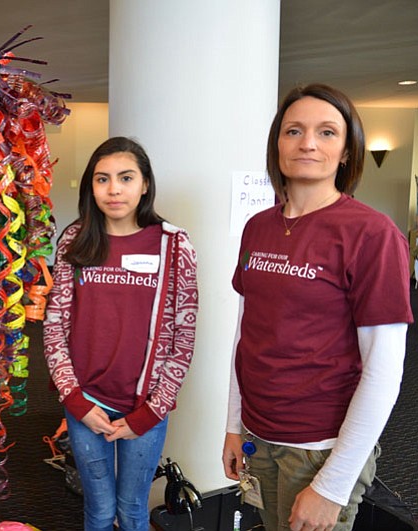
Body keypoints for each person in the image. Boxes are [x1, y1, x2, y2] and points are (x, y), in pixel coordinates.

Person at [222, 84, 413, 531]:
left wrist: (332, 485)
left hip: (320, 449)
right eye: (294, 130)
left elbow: (385, 372)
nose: (308, 142)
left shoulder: (373, 235)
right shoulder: (258, 227)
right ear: (278, 144)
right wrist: (234, 424)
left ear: (347, 151)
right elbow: (244, 334)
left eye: (327, 132)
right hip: (258, 435)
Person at [43, 136, 198, 531]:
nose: (114, 189)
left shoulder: (174, 245)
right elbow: (55, 326)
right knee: (97, 511)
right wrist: (74, 400)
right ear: (90, 187)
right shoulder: (74, 241)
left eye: (126, 178)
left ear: (145, 184)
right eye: (102, 179)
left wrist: (153, 409)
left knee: (131, 511)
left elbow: (184, 337)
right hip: (85, 403)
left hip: (144, 406)